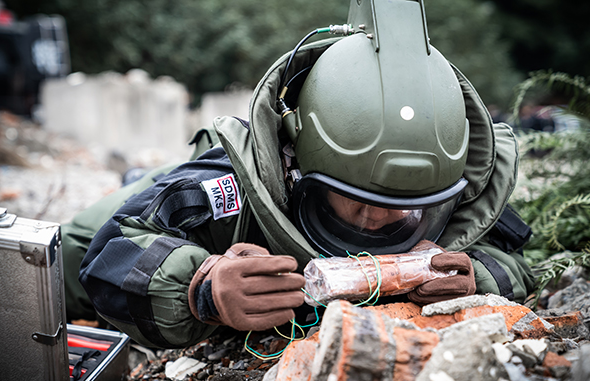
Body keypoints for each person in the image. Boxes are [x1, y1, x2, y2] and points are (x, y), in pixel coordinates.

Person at [62, 0, 535, 349]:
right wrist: (200, 289)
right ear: (295, 167)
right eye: (352, 202)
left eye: (400, 212)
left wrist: (478, 277)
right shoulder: (228, 186)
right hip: (107, 229)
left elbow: (517, 259)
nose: (372, 225)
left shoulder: (454, 192)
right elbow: (111, 251)